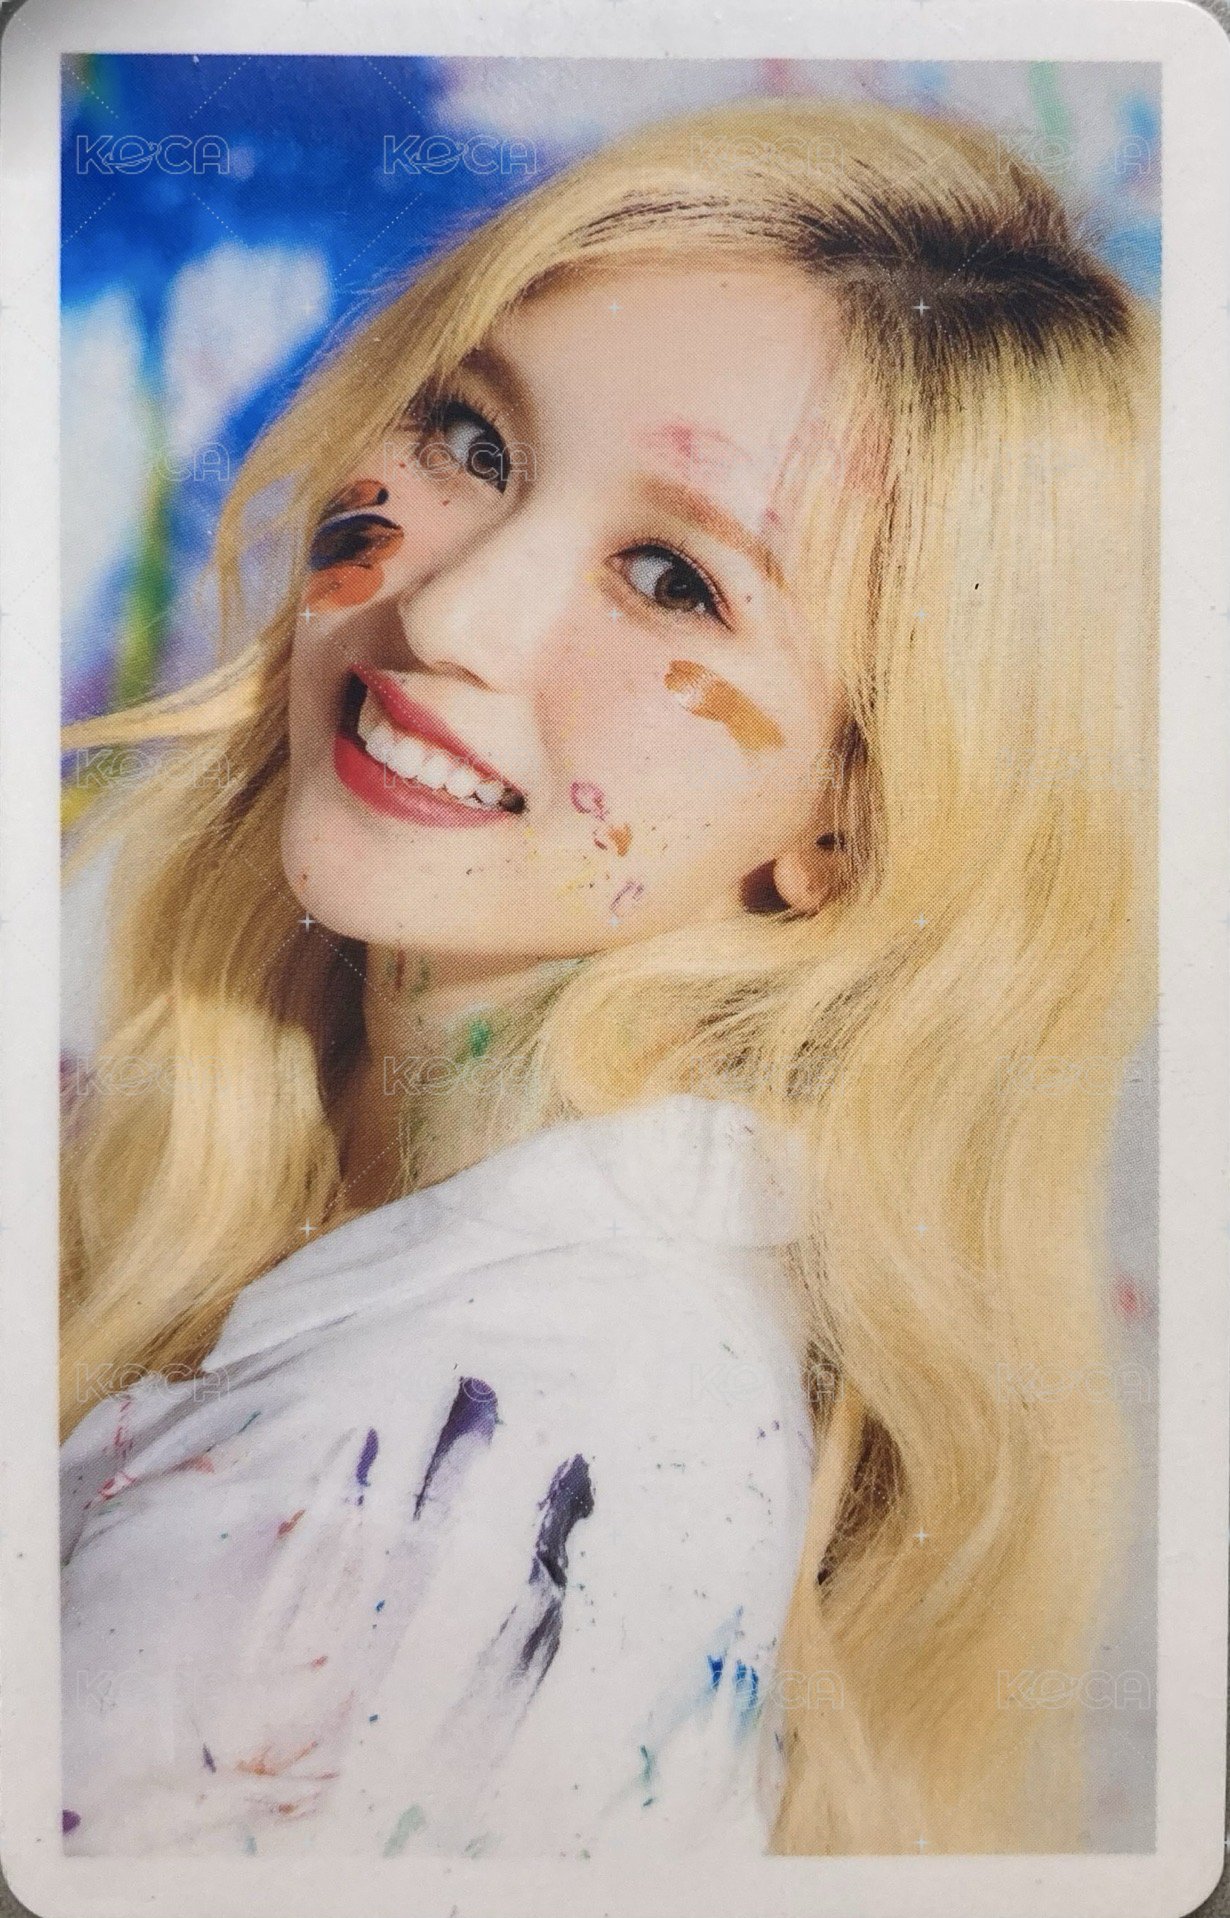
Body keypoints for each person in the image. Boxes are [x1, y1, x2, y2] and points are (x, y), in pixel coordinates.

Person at [57, 94, 1159, 1857]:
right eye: (472, 439)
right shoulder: (303, 1189)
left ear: (852, 819)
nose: (449, 616)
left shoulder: (427, 1489)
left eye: (671, 580)